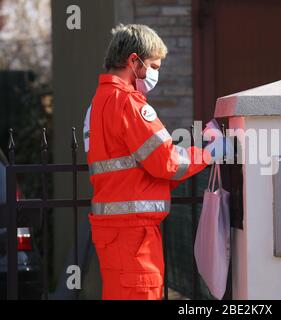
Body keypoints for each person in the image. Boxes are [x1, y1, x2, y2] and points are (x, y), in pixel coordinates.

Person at [84, 24, 220, 300]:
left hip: (114, 234)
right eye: (153, 65)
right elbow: (167, 162)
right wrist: (209, 153)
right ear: (133, 61)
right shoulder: (129, 104)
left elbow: (141, 171)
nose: (156, 73)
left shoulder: (99, 102)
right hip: (135, 237)